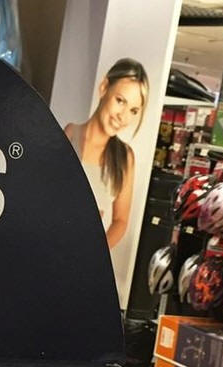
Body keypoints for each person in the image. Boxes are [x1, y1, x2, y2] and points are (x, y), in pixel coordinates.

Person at [65, 58, 149, 249]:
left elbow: (120, 221)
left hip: (82, 259)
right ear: (104, 87)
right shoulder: (71, 134)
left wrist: (95, 252)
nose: (123, 116)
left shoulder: (125, 157)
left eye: (133, 110)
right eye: (120, 101)